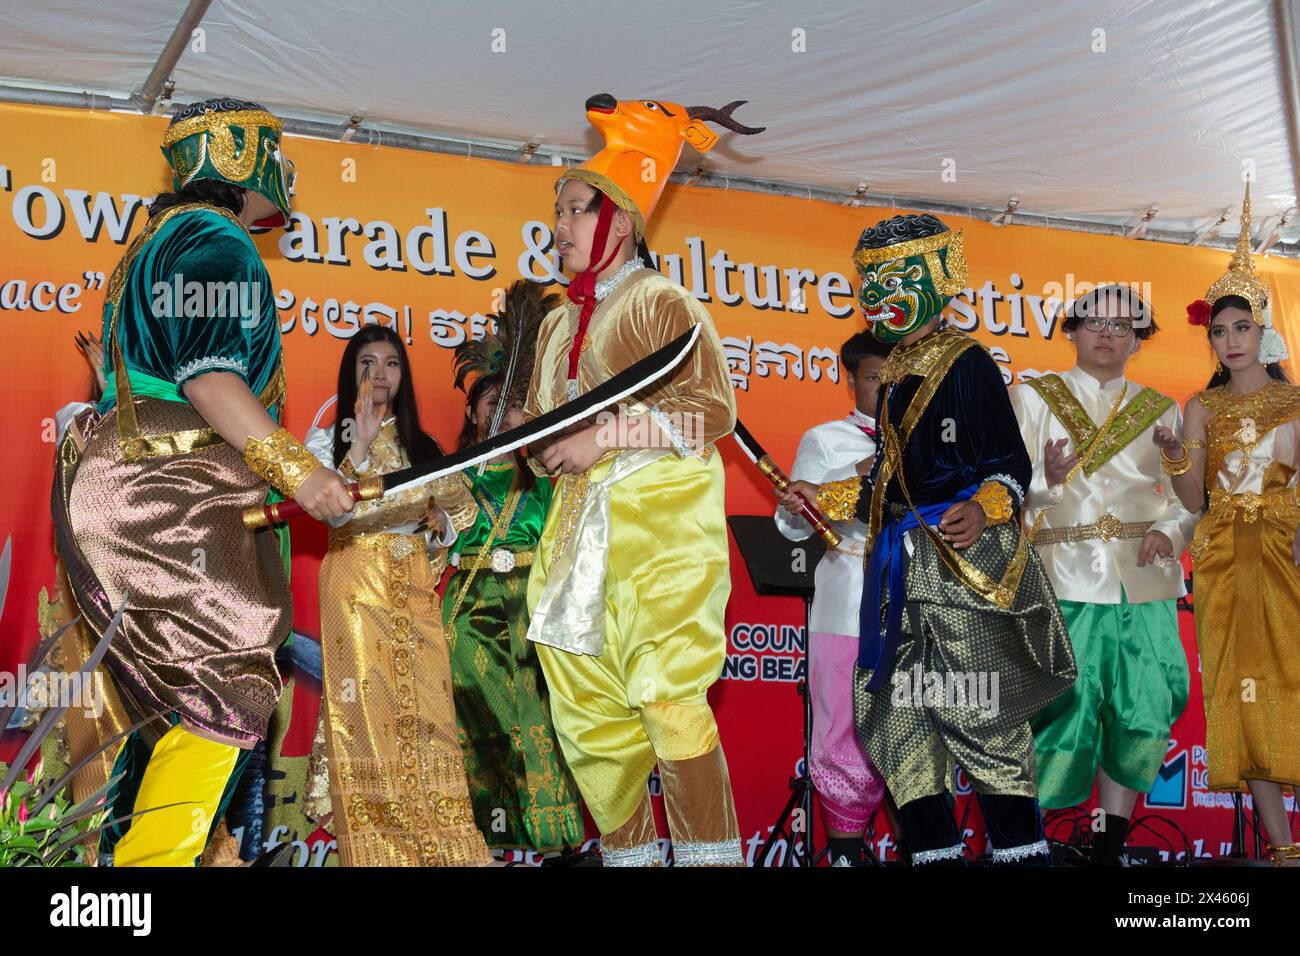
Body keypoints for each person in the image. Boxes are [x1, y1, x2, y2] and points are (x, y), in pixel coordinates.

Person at [51, 97, 356, 866]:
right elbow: (208, 376)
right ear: (240, 159)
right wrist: (301, 469)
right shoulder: (214, 240)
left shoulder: (164, 236)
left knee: (199, 699)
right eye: (277, 152)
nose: (288, 173)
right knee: (229, 682)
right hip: (169, 491)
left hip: (150, 484)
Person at [788, 213, 1076, 866]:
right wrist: (823, 498)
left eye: (891, 278)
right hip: (893, 571)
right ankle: (935, 857)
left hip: (957, 566)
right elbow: (887, 484)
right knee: (899, 726)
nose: (873, 293)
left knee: (981, 719)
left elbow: (1008, 462)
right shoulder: (892, 376)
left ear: (934, 279)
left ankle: (1023, 857)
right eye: (867, 280)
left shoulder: (966, 361)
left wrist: (985, 504)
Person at [522, 94, 761, 867]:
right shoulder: (558, 322)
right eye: (556, 212)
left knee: (669, 702)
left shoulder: (663, 302)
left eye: (572, 212)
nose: (557, 228)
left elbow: (711, 414)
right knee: (590, 725)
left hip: (655, 540)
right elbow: (536, 431)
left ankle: (708, 859)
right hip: (574, 548)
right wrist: (543, 447)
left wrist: (605, 435)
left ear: (617, 219)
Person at [1009, 285, 1197, 864]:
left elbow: (1187, 500)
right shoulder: (1031, 399)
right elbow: (1005, 494)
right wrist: (1046, 479)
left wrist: (1171, 530)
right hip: (1063, 578)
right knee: (1061, 707)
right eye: (1095, 322)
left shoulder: (1163, 409)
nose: (1108, 334)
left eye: (1124, 327)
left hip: (1143, 583)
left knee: (1144, 707)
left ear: (1138, 341)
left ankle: (1109, 845)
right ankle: (1030, 845)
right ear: (1071, 330)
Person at [303, 324, 491, 866]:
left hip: (413, 587)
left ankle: (445, 850)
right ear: (351, 371)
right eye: (367, 363)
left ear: (403, 375)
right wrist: (357, 445)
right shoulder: (326, 440)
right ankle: (378, 853)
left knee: (428, 711)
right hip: (355, 582)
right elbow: (335, 509)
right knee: (365, 708)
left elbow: (462, 511)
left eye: (390, 363)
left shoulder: (424, 446)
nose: (379, 374)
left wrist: (439, 524)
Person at [1155, 184, 1300, 864]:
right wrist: (1177, 456)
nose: (1230, 341)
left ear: (1262, 328)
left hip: (1286, 552)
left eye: (1242, 327)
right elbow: (1190, 500)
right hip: (1222, 559)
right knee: (1244, 690)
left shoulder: (1295, 401)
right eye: (1218, 330)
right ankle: (1282, 847)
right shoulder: (1200, 409)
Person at [442, 280, 583, 858]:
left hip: (532, 604)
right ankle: (488, 840)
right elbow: (435, 541)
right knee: (483, 726)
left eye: (511, 403)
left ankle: (554, 844)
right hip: (470, 613)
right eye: (489, 400)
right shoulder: (450, 476)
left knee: (540, 723)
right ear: (473, 410)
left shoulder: (549, 475)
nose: (499, 411)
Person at [773, 331, 890, 866]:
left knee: (917, 731)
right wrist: (855, 475)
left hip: (921, 611)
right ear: (852, 381)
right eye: (873, 377)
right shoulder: (826, 440)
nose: (885, 388)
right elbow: (793, 526)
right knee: (842, 729)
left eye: (899, 381)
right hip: (848, 604)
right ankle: (844, 852)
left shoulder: (936, 447)